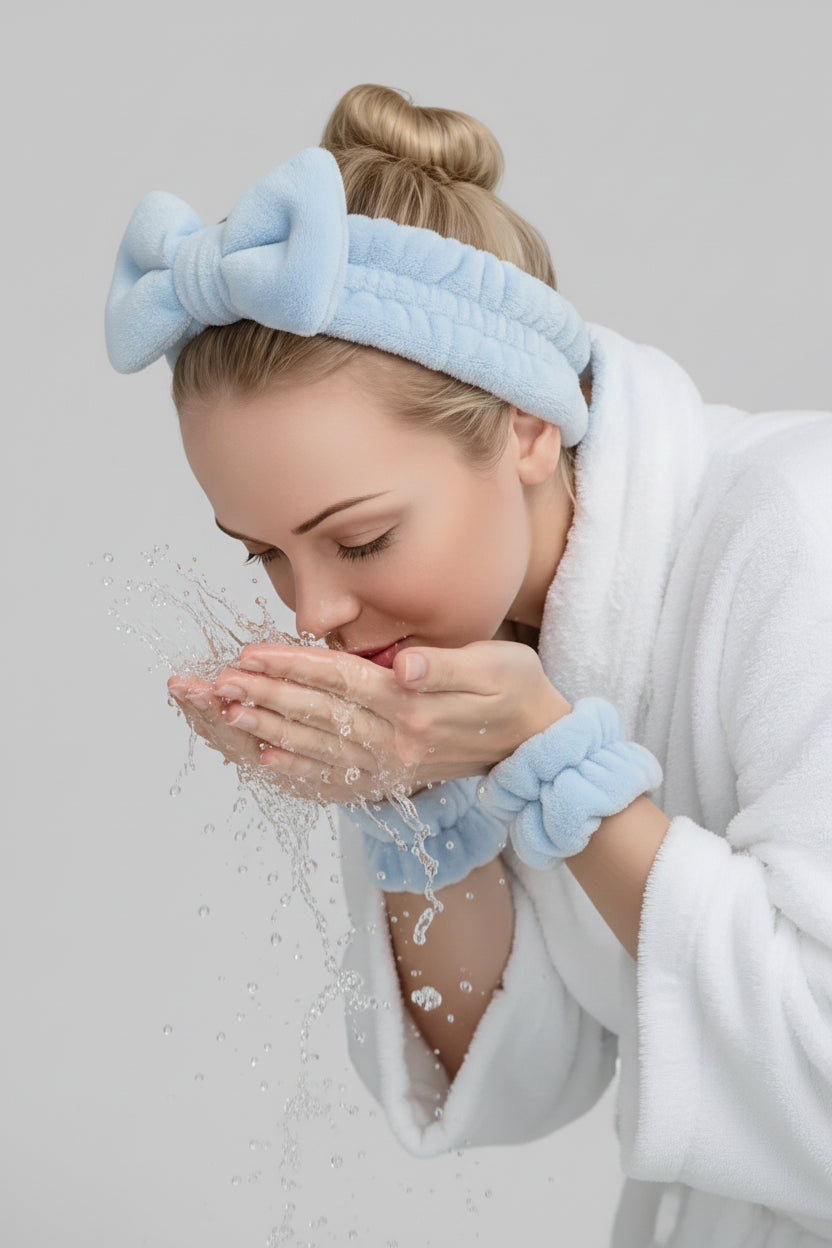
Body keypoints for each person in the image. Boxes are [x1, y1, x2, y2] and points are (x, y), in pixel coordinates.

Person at [104, 83, 832, 1247]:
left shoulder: (801, 539)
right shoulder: (473, 657)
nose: (320, 612)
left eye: (360, 539)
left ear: (529, 426)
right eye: (267, 557)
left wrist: (553, 768)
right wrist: (411, 801)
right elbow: (520, 1082)